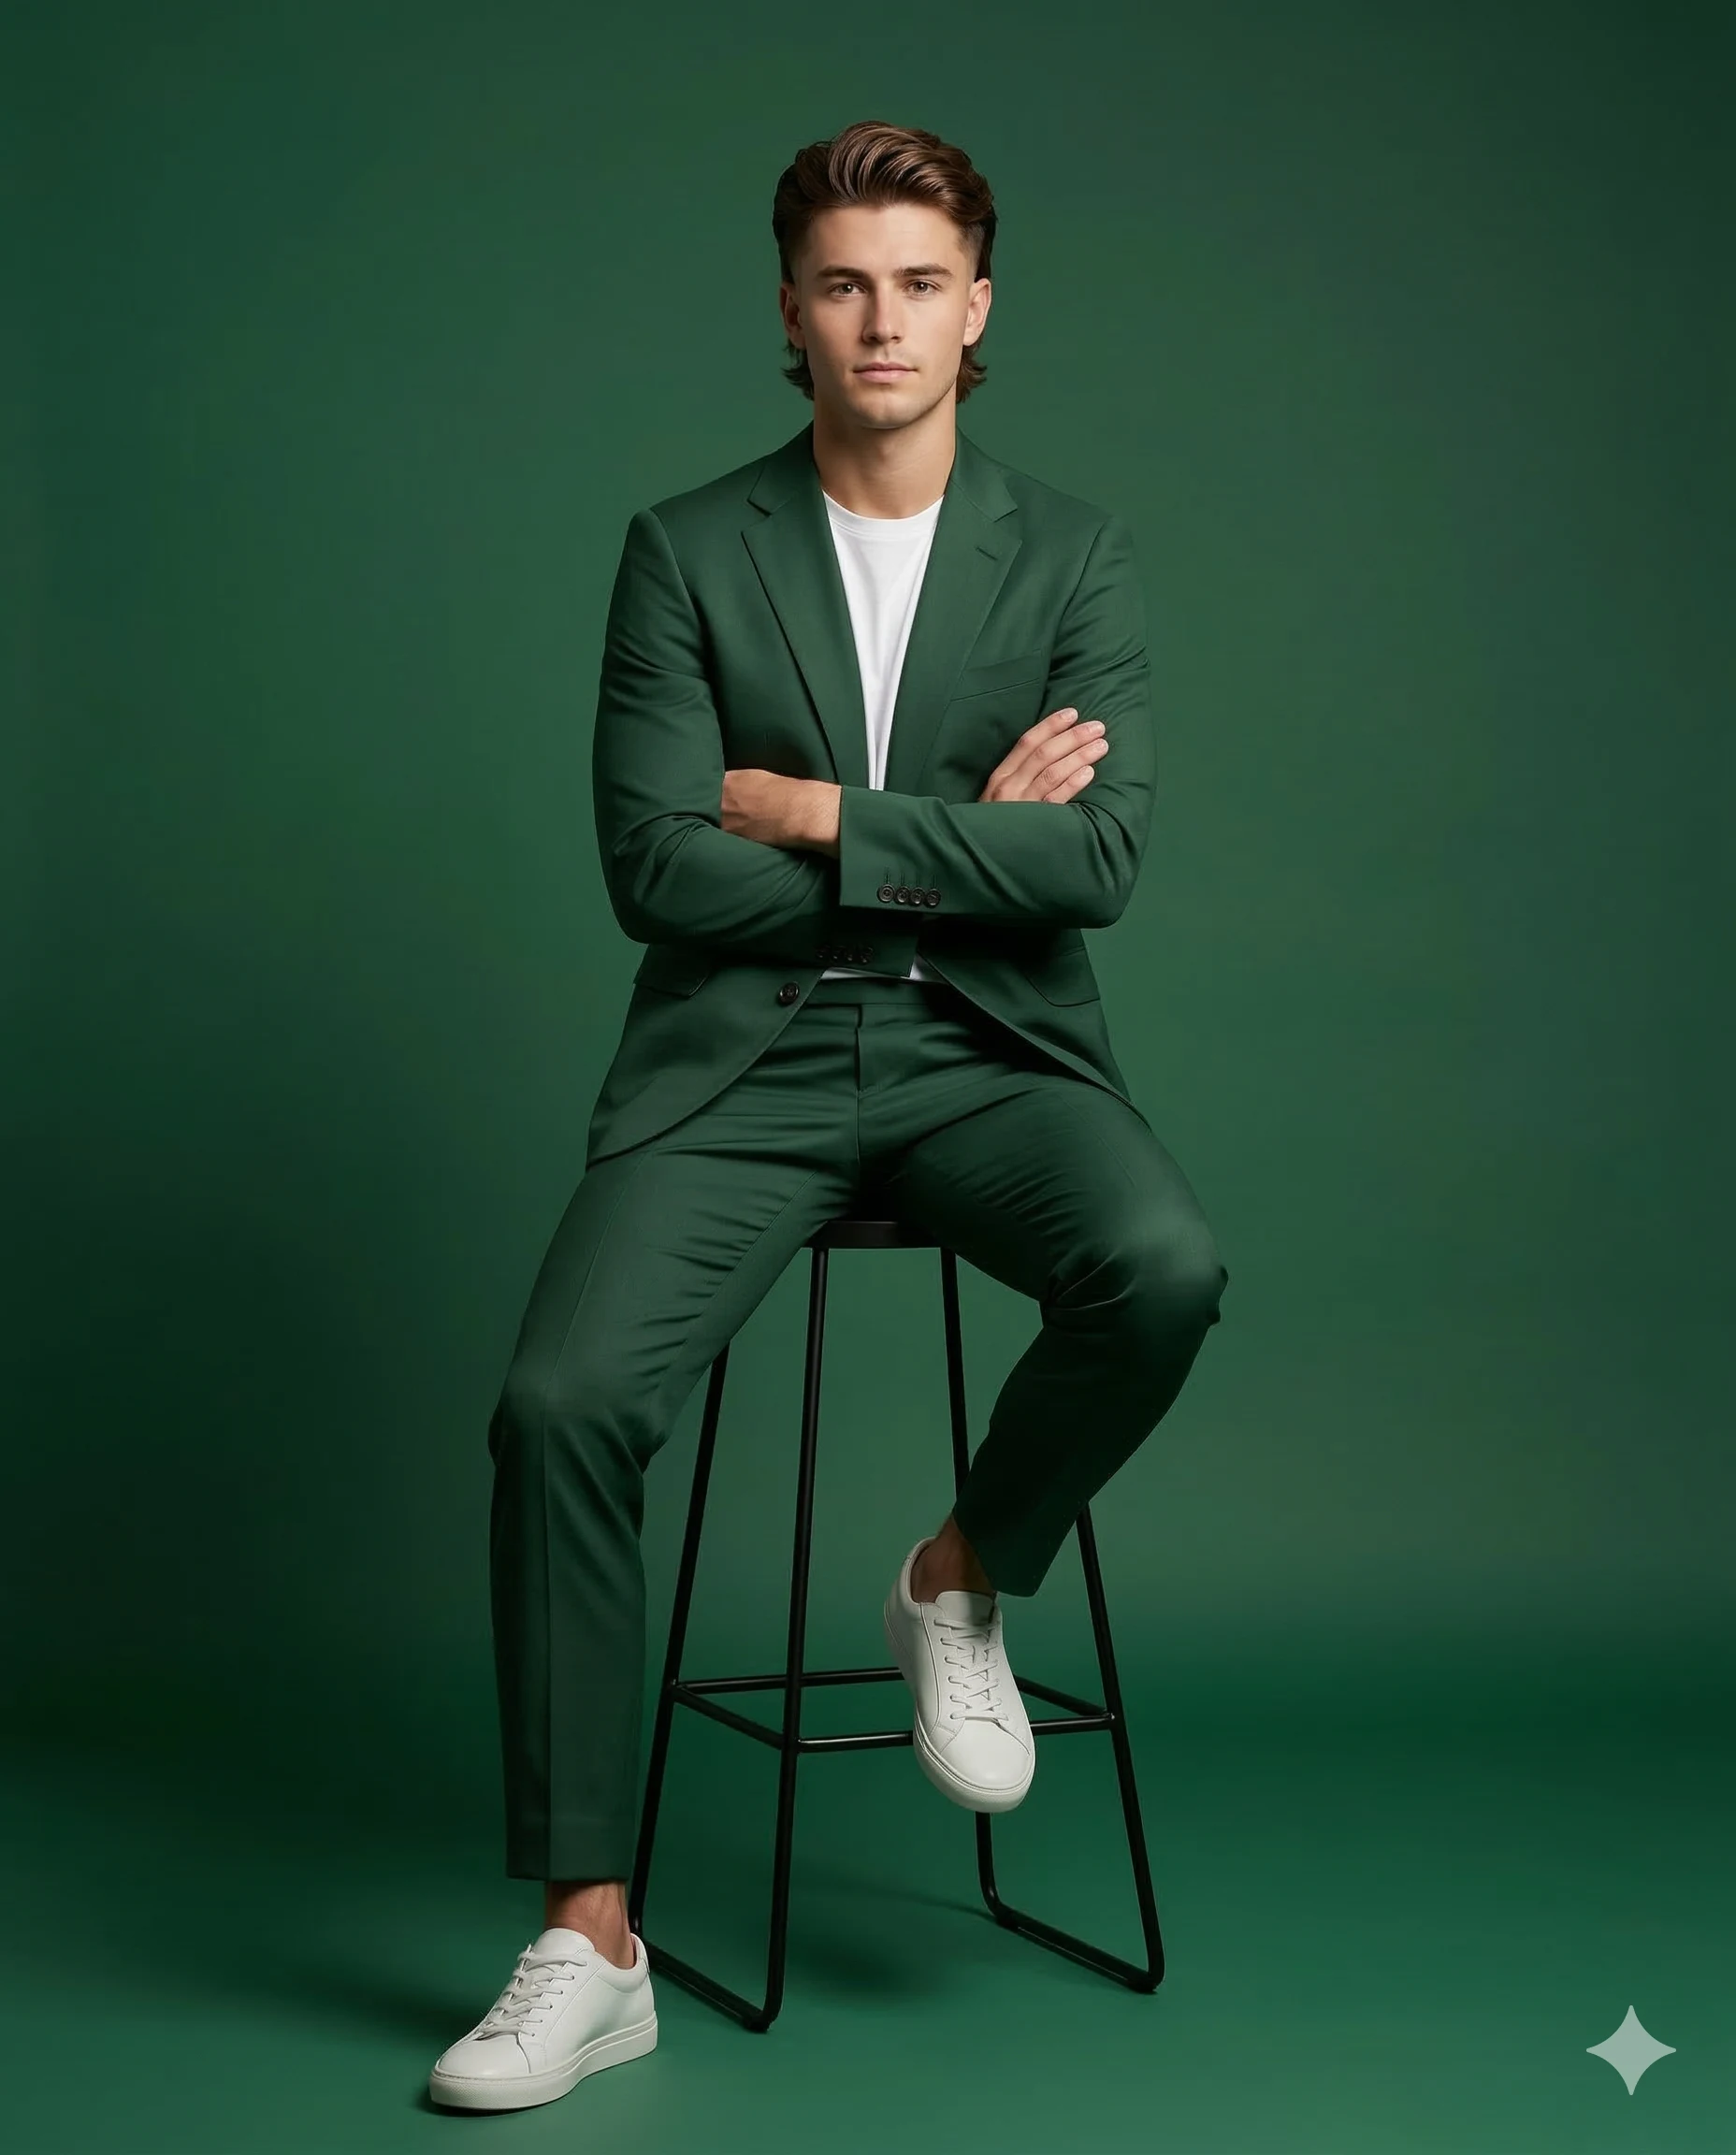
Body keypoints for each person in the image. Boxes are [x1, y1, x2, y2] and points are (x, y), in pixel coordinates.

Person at [427, 117, 1230, 2113]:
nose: (883, 319)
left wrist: (820, 816)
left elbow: (1099, 864)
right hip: (742, 1060)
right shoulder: (685, 550)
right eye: (844, 284)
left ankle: (961, 1574)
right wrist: (960, 841)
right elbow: (655, 872)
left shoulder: (1075, 554)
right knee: (556, 1408)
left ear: (980, 313)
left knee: (1161, 1267)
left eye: (921, 283)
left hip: (988, 1052)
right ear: (788, 315)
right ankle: (588, 1937)